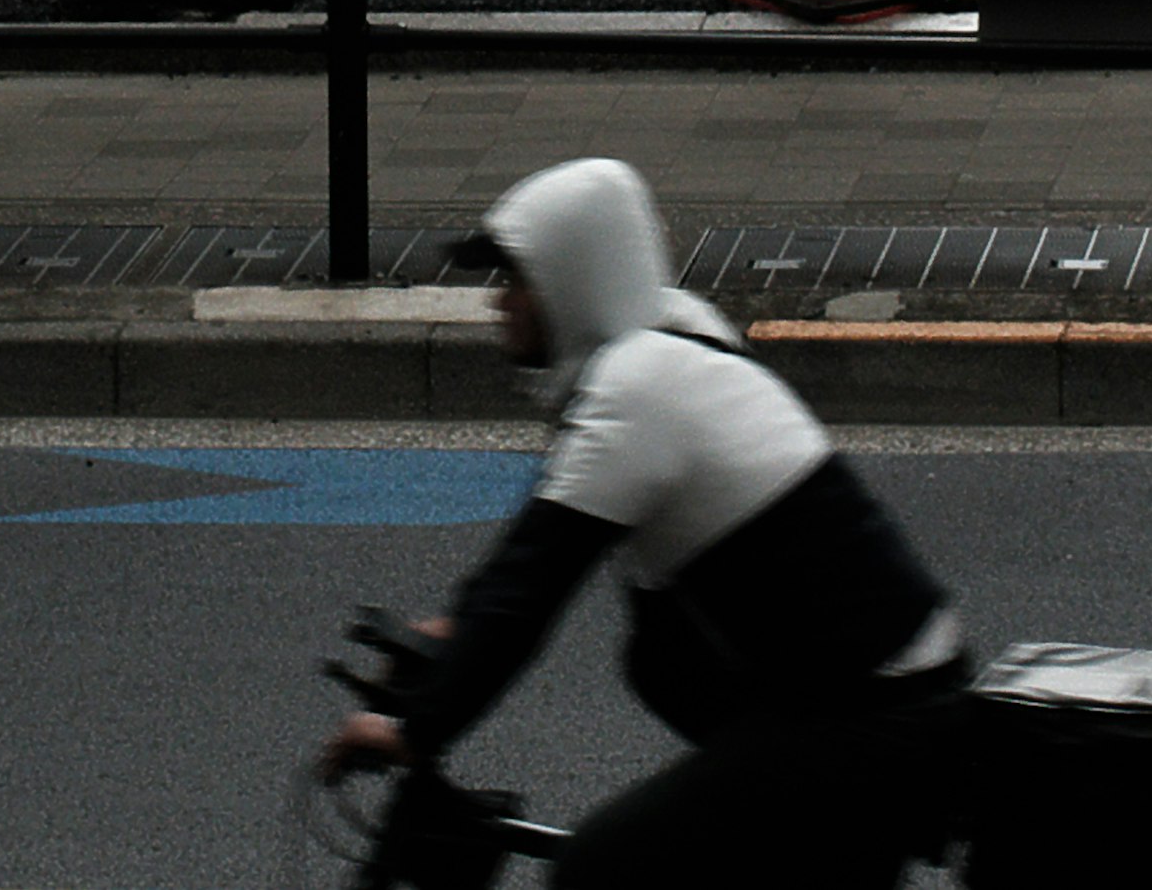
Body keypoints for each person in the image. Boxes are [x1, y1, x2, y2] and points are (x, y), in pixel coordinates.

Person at [319, 158, 973, 890]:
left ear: (571, 278)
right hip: (879, 696)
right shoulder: (674, 337)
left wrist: (415, 728)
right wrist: (457, 629)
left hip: (870, 718)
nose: (497, 303)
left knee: (604, 867)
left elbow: (529, 588)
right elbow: (529, 558)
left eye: (516, 279)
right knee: (654, 673)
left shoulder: (640, 387)